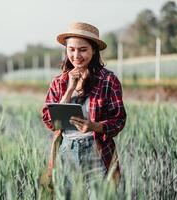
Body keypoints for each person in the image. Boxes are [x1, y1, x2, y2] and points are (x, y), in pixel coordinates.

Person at [41, 22, 127, 198]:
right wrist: (70, 89)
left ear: (94, 50)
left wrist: (93, 126)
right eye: (71, 49)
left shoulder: (108, 80)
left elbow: (119, 120)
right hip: (66, 151)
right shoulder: (59, 82)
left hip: (97, 151)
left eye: (82, 49)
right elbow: (50, 121)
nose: (76, 55)